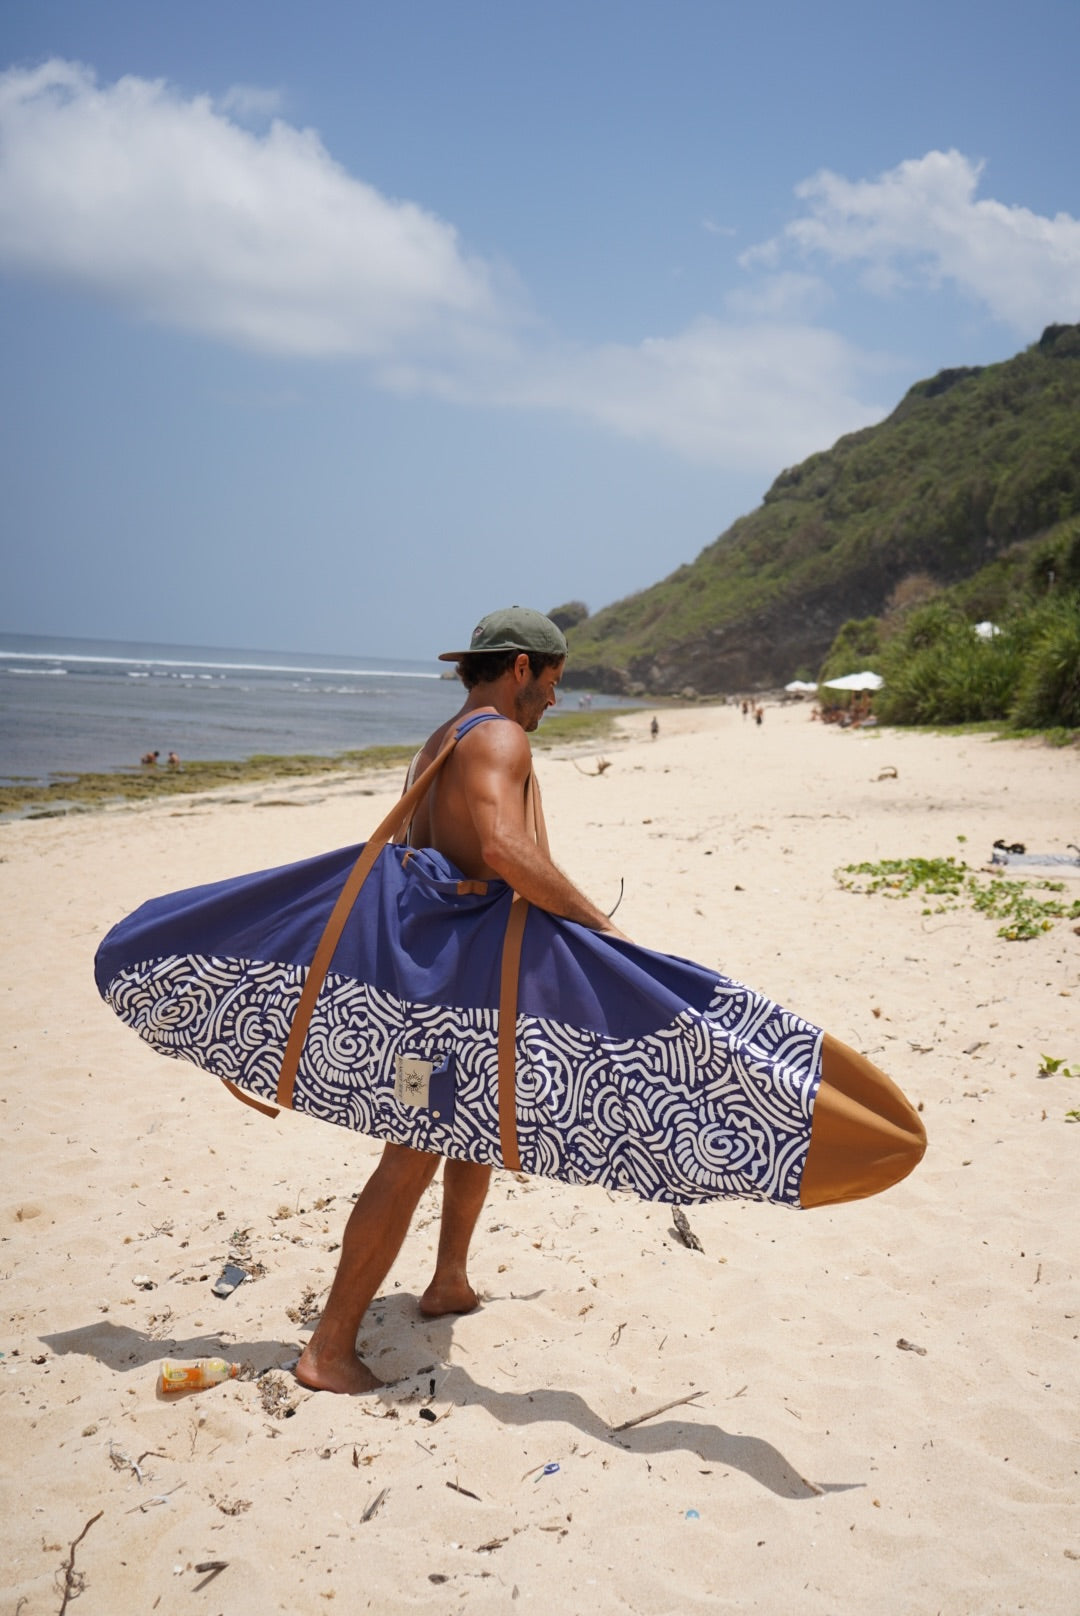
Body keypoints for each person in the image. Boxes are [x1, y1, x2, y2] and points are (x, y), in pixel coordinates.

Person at [295, 607, 624, 1395]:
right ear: (520, 668)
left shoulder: (437, 742)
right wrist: (598, 921)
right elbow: (507, 851)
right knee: (408, 1158)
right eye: (553, 681)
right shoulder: (499, 738)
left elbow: (418, 858)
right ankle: (329, 1348)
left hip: (454, 982)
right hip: (443, 997)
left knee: (475, 1126)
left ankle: (449, 1280)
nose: (555, 698)